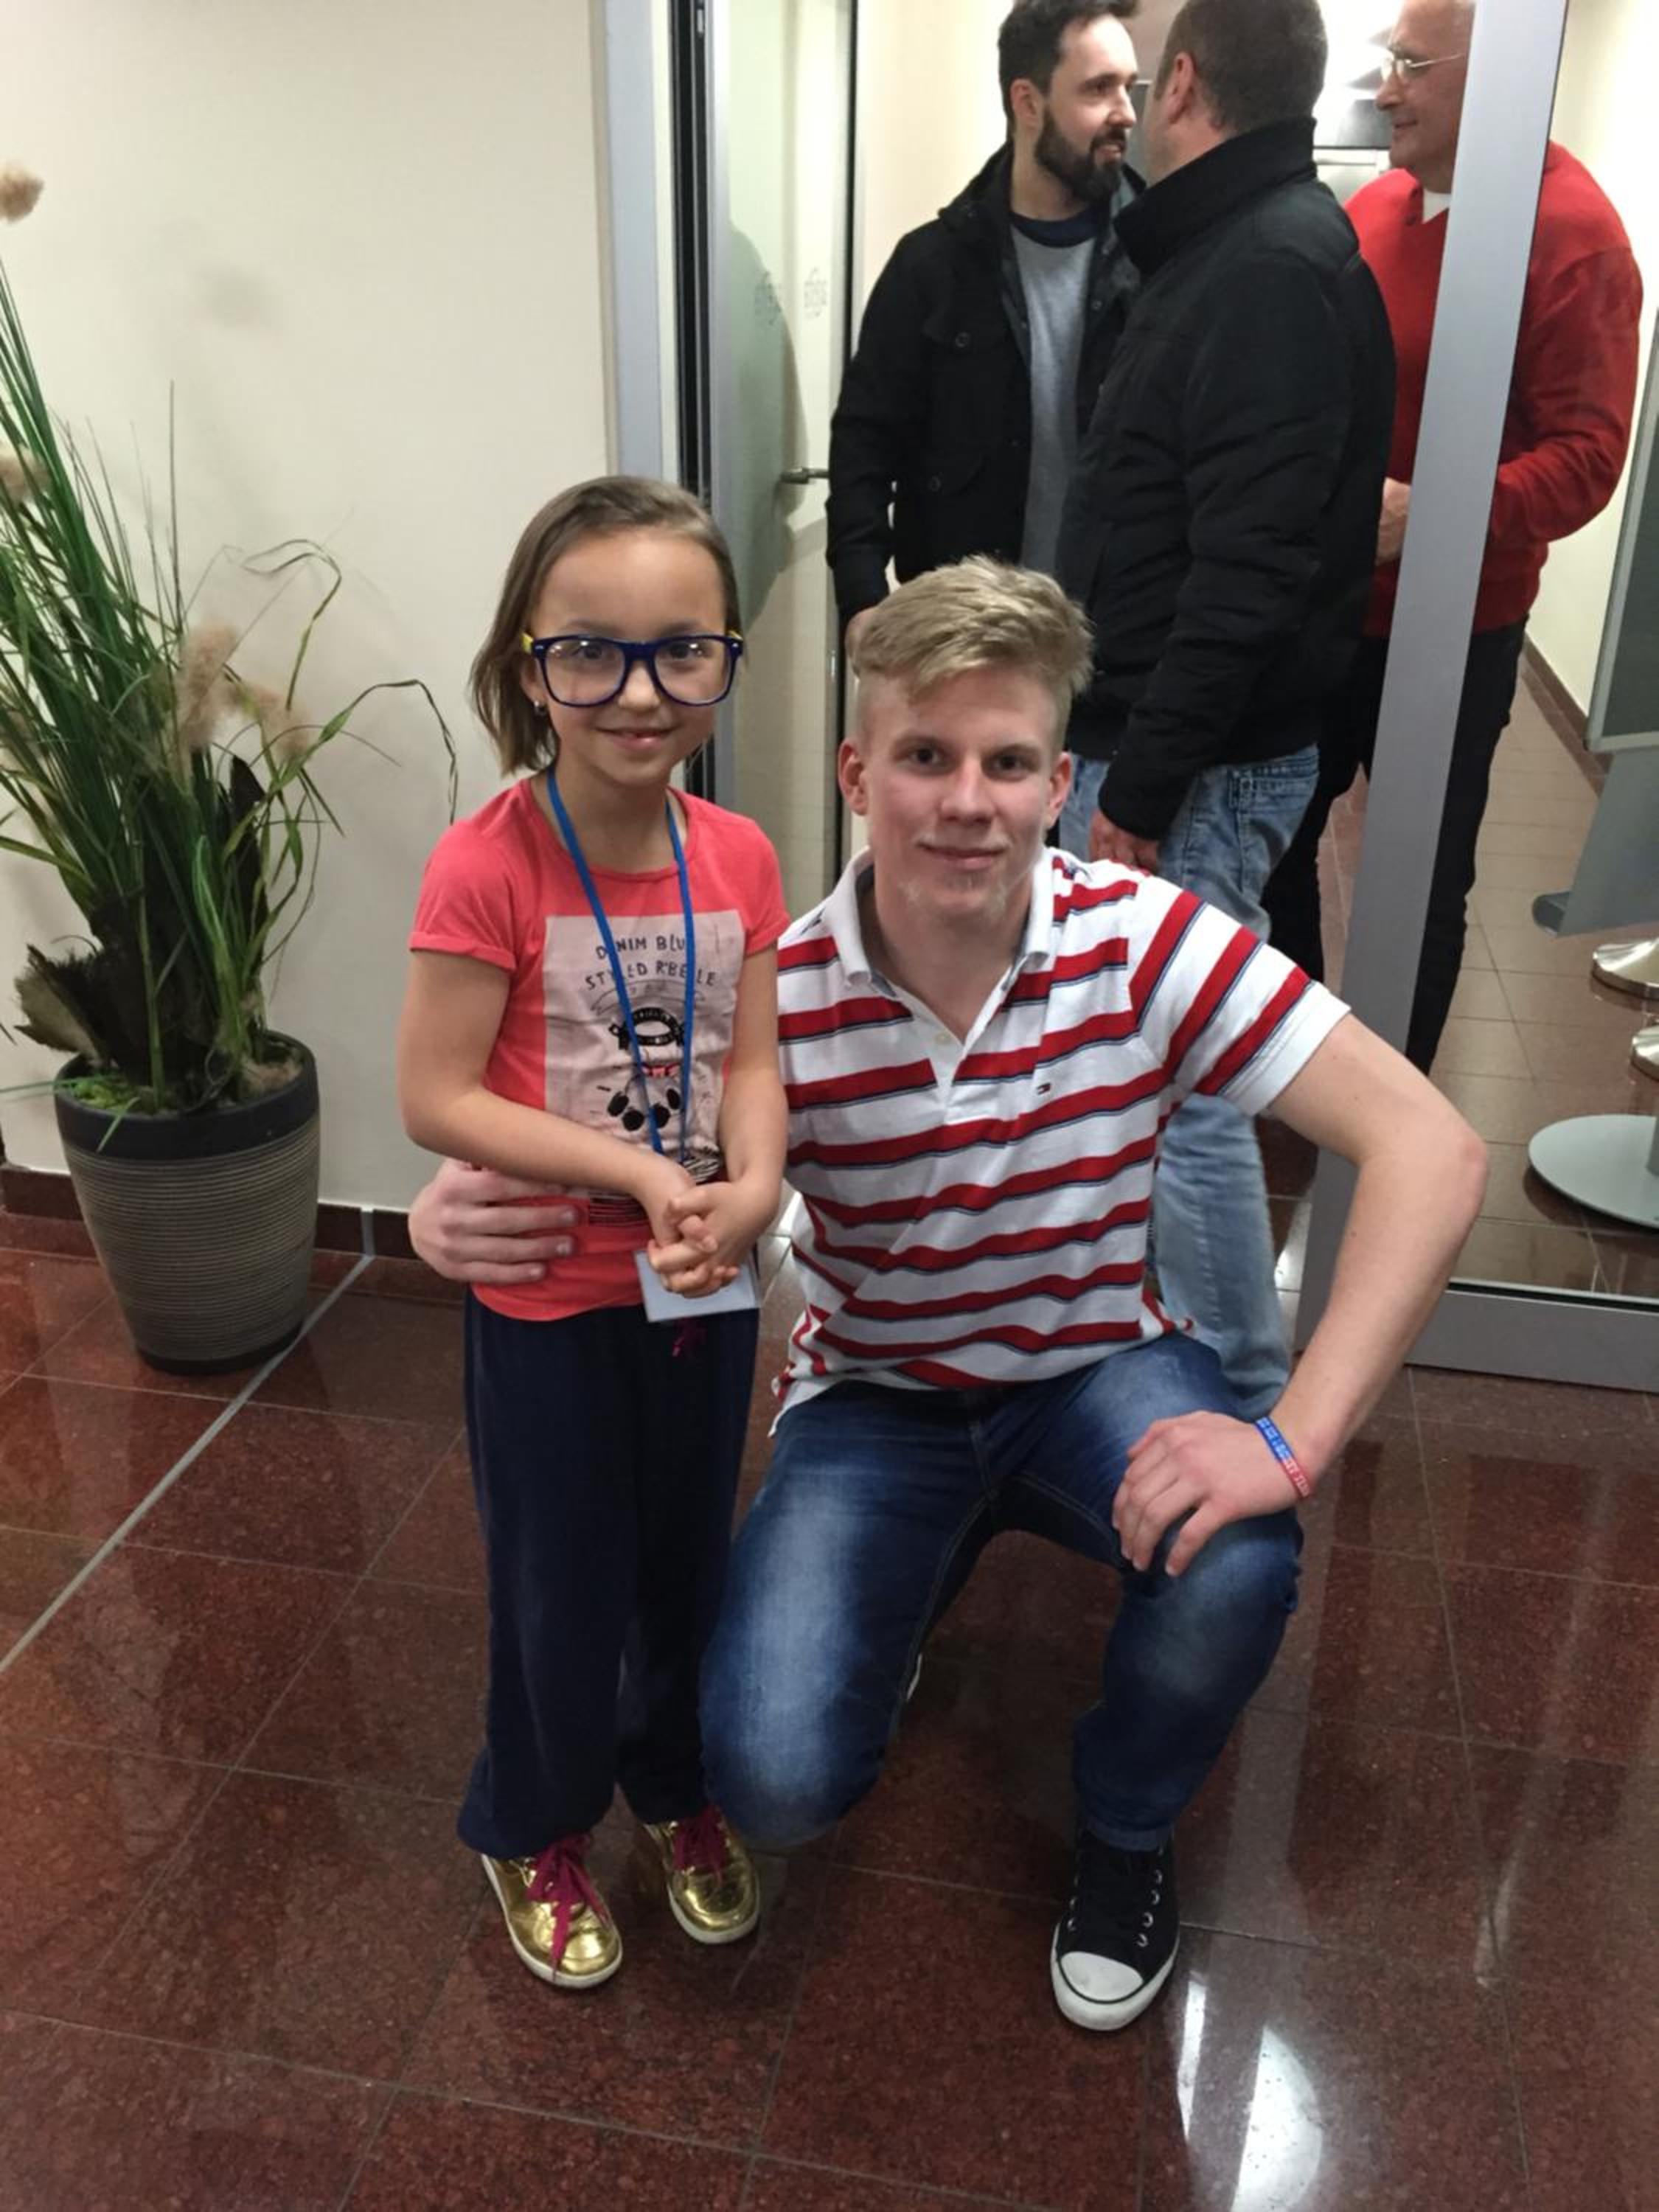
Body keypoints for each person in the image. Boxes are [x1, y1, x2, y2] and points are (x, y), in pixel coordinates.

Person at [408, 559, 1487, 2034]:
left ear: (1059, 784)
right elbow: (619, 1129)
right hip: (879, 1402)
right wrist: (444, 1209)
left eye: (1007, 762)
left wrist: (1289, 1440)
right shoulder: (777, 988)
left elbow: (1433, 1149)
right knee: (773, 1776)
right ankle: (931, 1555)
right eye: (925, 756)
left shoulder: (1146, 940)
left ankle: (1125, 1833)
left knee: (1239, 1555)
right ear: (858, 775)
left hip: (1095, 1370)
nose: (967, 802)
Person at [397, 476, 790, 1991]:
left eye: (681, 649)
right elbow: (435, 1093)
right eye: (590, 651)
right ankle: (533, 1822)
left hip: (698, 1282)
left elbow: (749, 1061)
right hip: (549, 1300)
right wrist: (628, 1172)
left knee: (687, 1561)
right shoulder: (488, 861)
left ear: (725, 656)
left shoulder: (741, 856)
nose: (638, 691)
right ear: (528, 663)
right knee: (559, 1582)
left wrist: (754, 1188)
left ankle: (675, 1785)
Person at [1054, 0, 1396, 1420]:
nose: (1133, 104)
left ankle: (1245, 1411)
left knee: (1182, 1085)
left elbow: (1247, 573)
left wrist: (1138, 789)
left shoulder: (1266, 269)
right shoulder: (1231, 251)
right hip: (1163, 747)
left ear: (1186, 81)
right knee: (1159, 1077)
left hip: (1180, 768)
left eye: (1143, 76)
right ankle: (1176, 1368)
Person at [1262, 0, 1644, 1071]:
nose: (1385, 89)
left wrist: (1429, 515)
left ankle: (1389, 1106)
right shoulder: (1375, 207)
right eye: (1388, 61)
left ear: (1499, 73)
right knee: (1275, 842)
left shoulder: (1574, 237)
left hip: (1456, 630)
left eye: (1411, 65)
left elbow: (1588, 457)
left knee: (1420, 880)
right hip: (1324, 609)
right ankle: (1301, 1071)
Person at [826, 0, 1141, 671]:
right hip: (967, 643)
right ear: (1027, 102)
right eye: (1098, 89)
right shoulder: (933, 267)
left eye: (1128, 87)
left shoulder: (1162, 260)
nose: (1126, 113)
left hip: (1119, 645)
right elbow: (863, 443)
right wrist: (862, 598)